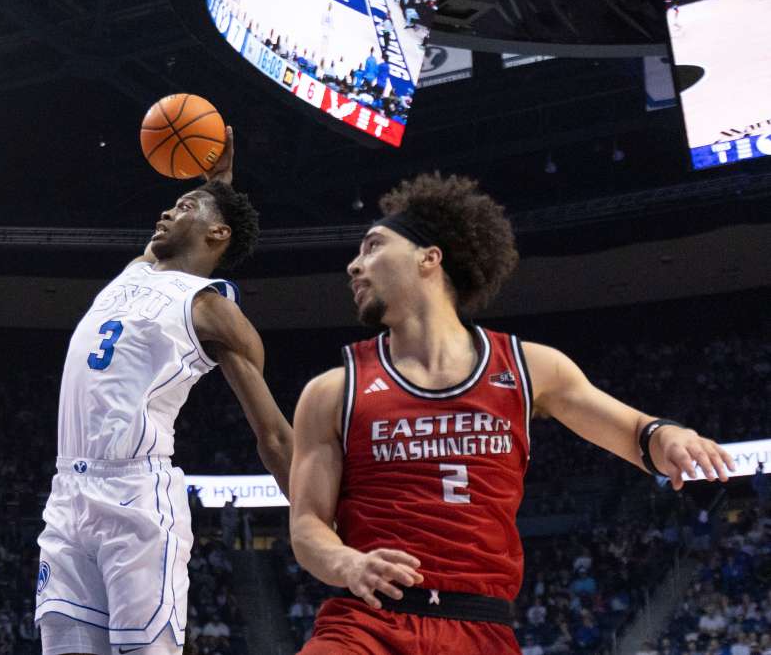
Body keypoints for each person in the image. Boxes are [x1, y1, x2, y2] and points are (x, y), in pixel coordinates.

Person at [287, 173, 735, 654]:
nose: (354, 265)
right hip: (366, 625)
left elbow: (634, 432)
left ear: (429, 257)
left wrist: (666, 436)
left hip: (480, 629)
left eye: (372, 246)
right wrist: (347, 564)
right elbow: (307, 524)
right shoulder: (332, 391)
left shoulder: (530, 368)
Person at [34, 127, 295, 655]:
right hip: (68, 495)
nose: (166, 213)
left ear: (217, 234)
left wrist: (323, 524)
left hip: (136, 499)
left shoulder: (211, 309)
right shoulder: (138, 269)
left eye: (183, 206)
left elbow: (274, 436)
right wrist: (216, 178)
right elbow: (208, 215)